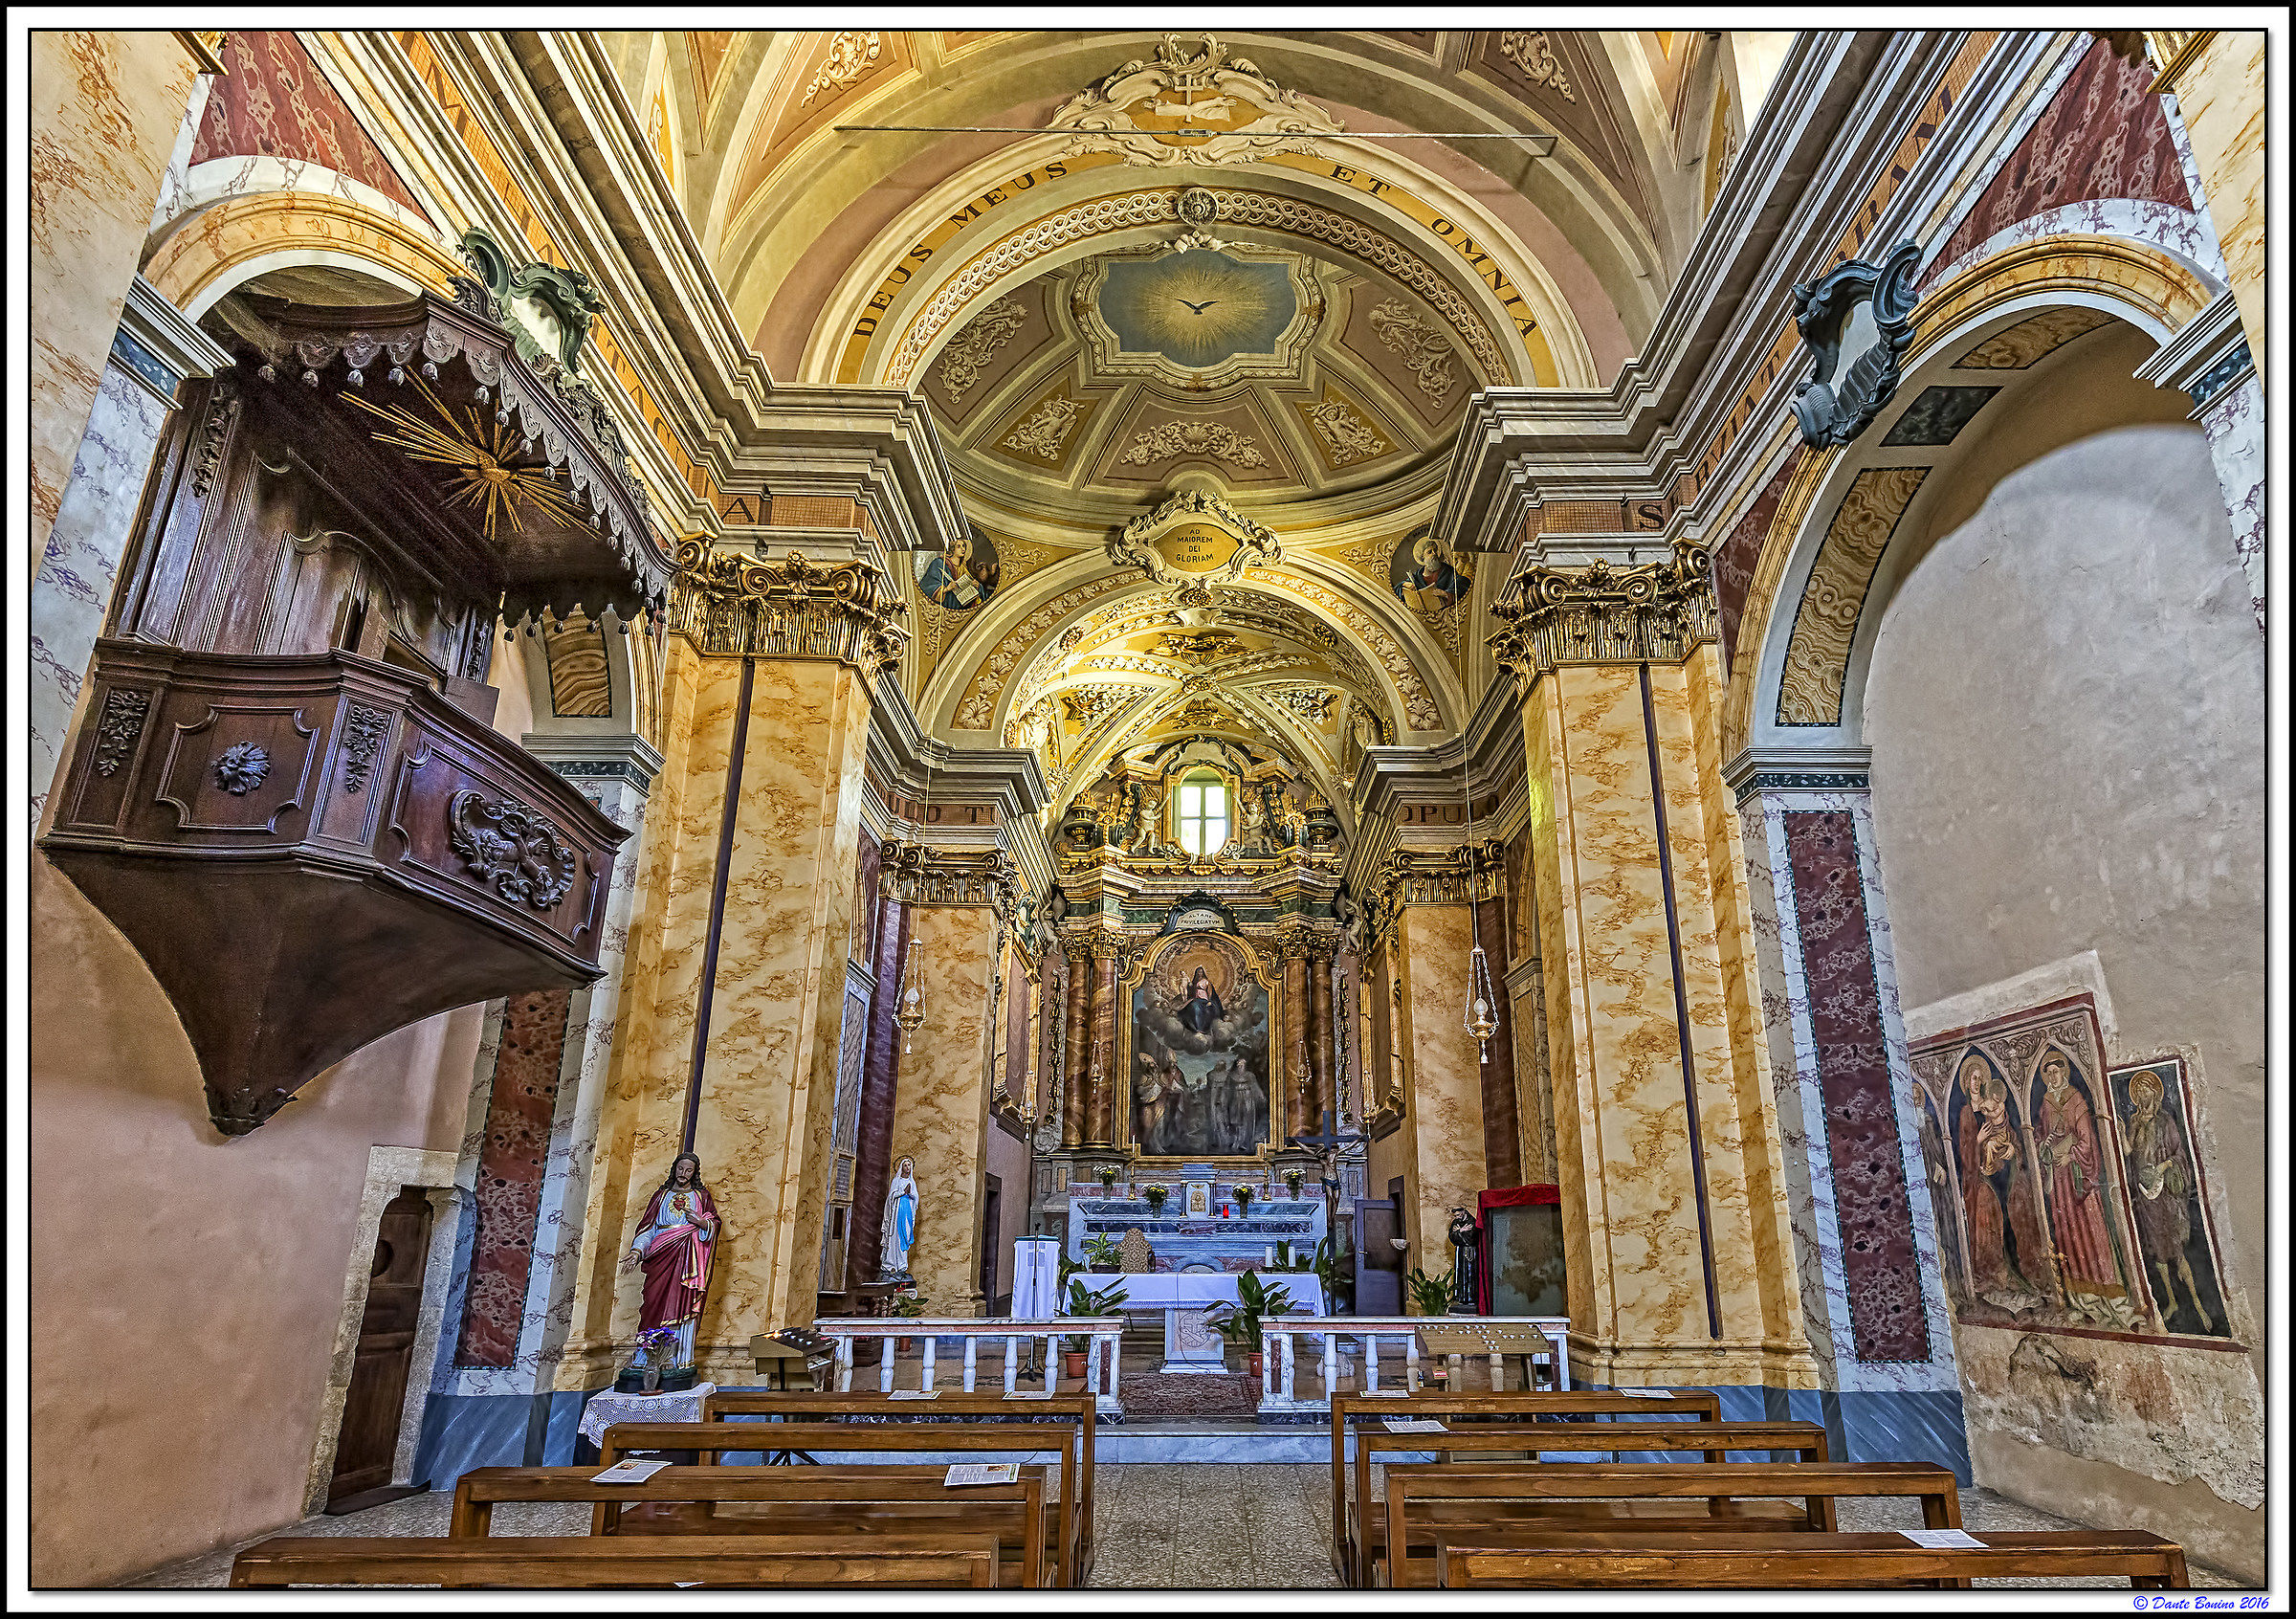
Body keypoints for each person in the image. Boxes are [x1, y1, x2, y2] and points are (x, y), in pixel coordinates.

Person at [2034, 1053, 2129, 1317]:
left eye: (2057, 1071)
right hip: (2059, 1181)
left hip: (2077, 1177)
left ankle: (2107, 1288)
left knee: (2090, 1225)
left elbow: (2087, 1140)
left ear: (2064, 1073)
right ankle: (2080, 1294)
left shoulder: (2076, 1100)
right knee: (2067, 1232)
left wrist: (2071, 1155)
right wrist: (2044, 1148)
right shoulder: (2046, 1103)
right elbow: (2041, 1135)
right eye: (2049, 1073)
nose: (2053, 1077)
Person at [2122, 1069, 2215, 1333]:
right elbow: (2129, 1151)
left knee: (2177, 1251)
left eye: (2146, 1090)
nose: (2142, 1095)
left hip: (2165, 1195)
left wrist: (2162, 1169)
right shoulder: (2135, 1121)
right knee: (2158, 1252)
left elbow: (2179, 1155)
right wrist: (2119, 1129)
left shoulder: (2166, 1121)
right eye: (2138, 1091)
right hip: (2145, 1194)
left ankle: (2198, 1304)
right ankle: (2172, 1301)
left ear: (2155, 1093)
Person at [620, 1151, 718, 1369]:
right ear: (674, 1168)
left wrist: (701, 1223)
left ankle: (676, 1359)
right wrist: (637, 1251)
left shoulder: (701, 1197)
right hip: (660, 1256)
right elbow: (649, 1228)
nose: (683, 1174)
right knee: (653, 1302)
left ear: (695, 1173)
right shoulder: (661, 1196)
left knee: (682, 1303)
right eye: (680, 1169)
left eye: (688, 1170)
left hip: (687, 1261)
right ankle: (645, 1357)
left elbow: (714, 1223)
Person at [1400, 535, 1468, 613]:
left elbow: (1462, 582)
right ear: (1422, 558)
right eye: (1429, 552)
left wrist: (1446, 594)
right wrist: (1405, 584)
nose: (1434, 553)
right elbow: (1399, 588)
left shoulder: (1447, 570)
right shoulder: (1417, 577)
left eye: (1435, 550)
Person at [880, 1155, 920, 1280]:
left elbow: (916, 1199)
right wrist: (903, 1192)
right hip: (897, 1214)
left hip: (907, 1213)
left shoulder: (911, 1182)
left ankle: (902, 1267)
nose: (908, 1167)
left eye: (909, 1165)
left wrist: (911, 1193)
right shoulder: (896, 1181)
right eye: (905, 1165)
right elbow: (891, 1197)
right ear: (901, 1167)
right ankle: (890, 1265)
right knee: (894, 1239)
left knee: (905, 1237)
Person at [1178, 966, 1224, 1035]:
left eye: (1201, 972)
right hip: (1196, 998)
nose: (1200, 973)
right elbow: (1191, 991)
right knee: (1188, 1007)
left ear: (1203, 973)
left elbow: (1210, 992)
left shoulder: (1206, 981)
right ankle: (1194, 1027)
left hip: (1203, 999)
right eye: (1198, 972)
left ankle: (1200, 1028)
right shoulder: (1195, 981)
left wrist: (1209, 1001)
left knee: (1196, 1007)